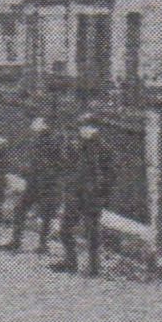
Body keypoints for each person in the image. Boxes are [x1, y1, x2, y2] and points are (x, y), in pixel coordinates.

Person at [56, 118, 115, 277]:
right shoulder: (79, 147)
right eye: (82, 127)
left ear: (94, 129)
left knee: (92, 233)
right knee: (64, 229)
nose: (82, 130)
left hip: (92, 197)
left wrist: (102, 195)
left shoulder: (103, 149)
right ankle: (71, 262)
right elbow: (69, 167)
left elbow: (109, 176)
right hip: (76, 195)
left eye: (86, 127)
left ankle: (94, 268)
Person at [7, 116, 59, 253]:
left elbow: (53, 164)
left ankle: (39, 244)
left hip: (43, 183)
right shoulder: (36, 140)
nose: (33, 125)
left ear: (44, 125)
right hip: (35, 183)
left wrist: (30, 170)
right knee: (21, 210)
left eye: (36, 123)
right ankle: (19, 241)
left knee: (42, 214)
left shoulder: (50, 142)